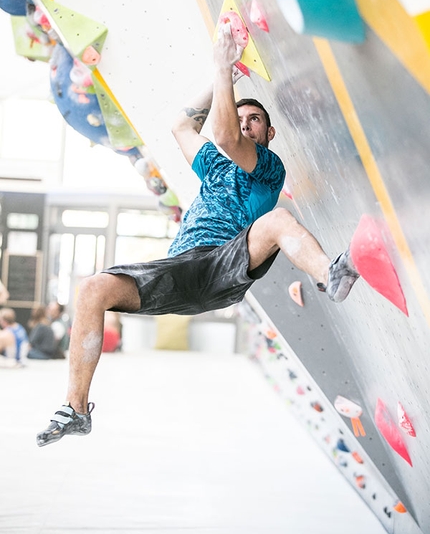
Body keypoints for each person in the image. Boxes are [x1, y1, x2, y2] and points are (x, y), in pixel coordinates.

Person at [36, 23, 359, 447]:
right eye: (241, 118)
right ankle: (75, 409)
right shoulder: (215, 167)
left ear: (268, 133)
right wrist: (222, 79)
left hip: (226, 261)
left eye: (255, 120)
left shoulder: (267, 167)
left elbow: (224, 134)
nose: (245, 126)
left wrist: (223, 67)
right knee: (93, 288)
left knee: (277, 221)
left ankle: (330, 275)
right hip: (181, 271)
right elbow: (181, 128)